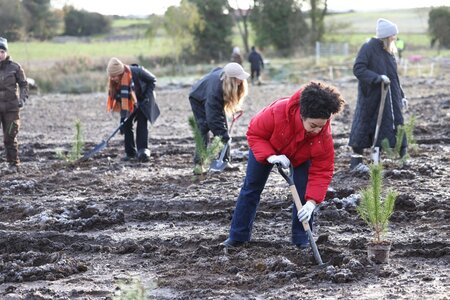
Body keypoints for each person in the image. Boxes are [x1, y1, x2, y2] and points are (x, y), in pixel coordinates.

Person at [222, 81, 345, 249]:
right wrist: (270, 156)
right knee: (251, 188)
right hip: (268, 146)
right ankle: (238, 236)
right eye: (313, 125)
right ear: (302, 114)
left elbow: (322, 170)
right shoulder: (277, 112)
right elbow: (254, 133)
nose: (317, 130)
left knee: (303, 194)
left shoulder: (322, 136)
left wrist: (312, 203)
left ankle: (302, 238)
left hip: (302, 155)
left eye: (321, 126)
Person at [349, 18, 408, 169]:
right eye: (393, 36)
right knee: (364, 128)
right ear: (386, 36)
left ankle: (402, 160)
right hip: (372, 97)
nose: (394, 38)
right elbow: (358, 69)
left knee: (395, 125)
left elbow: (394, 77)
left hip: (391, 97)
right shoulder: (368, 47)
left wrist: (401, 95)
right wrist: (377, 78)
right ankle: (357, 163)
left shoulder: (389, 51)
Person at [189, 62, 249, 172]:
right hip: (197, 97)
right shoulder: (215, 92)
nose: (241, 81)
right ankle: (199, 165)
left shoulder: (225, 80)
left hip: (210, 95)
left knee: (223, 129)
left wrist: (223, 133)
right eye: (239, 79)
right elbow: (213, 119)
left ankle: (225, 161)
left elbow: (216, 69)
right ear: (231, 80)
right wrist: (222, 135)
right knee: (203, 127)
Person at [106, 57, 160, 162]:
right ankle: (130, 153)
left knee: (142, 123)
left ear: (120, 72)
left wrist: (146, 97)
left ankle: (142, 151)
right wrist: (122, 118)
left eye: (114, 76)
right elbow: (121, 99)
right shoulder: (115, 81)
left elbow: (153, 80)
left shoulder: (137, 71)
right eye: (111, 76)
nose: (112, 78)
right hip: (128, 101)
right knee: (126, 125)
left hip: (145, 98)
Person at [0, 37, 28, 173]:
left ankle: (13, 164)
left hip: (11, 109)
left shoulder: (15, 67)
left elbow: (24, 85)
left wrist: (22, 100)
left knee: (10, 136)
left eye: (1, 51)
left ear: (6, 52)